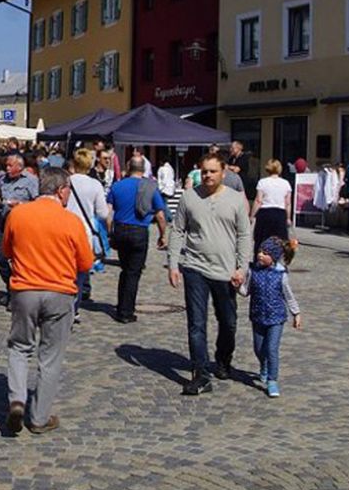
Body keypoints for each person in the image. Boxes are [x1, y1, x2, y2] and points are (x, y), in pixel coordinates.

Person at [3, 167, 94, 435]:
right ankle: (39, 418)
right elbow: (85, 263)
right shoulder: (71, 221)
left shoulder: (18, 214)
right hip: (59, 292)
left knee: (19, 348)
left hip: (24, 291)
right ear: (61, 190)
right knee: (50, 357)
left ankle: (17, 400)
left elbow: (6, 249)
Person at [169, 153, 251, 396]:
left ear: (223, 172)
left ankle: (223, 360)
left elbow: (244, 235)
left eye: (213, 171)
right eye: (204, 171)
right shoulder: (189, 197)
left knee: (228, 322)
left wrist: (241, 267)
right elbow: (177, 231)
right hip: (195, 267)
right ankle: (201, 374)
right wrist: (174, 263)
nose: (207, 176)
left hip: (226, 271)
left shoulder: (235, 199)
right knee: (196, 323)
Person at [238, 237, 303, 397]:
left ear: (273, 257)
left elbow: (289, 296)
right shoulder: (254, 272)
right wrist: (237, 286)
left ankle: (272, 381)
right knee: (259, 348)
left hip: (276, 318)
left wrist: (296, 313)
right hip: (258, 316)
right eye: (260, 251)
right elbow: (246, 291)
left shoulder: (281, 275)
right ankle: (264, 366)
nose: (260, 255)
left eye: (265, 253)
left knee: (271, 349)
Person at [106, 156, 168, 323]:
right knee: (133, 273)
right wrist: (163, 235)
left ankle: (121, 306)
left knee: (125, 270)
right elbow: (161, 216)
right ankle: (126, 311)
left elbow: (108, 213)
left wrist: (110, 233)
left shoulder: (117, 186)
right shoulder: (150, 187)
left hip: (120, 229)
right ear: (144, 169)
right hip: (139, 231)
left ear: (128, 166)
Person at [0, 154, 40, 301]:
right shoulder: (3, 179)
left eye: (10, 166)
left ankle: (18, 295)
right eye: (6, 166)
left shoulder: (31, 181)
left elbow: (39, 202)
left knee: (20, 262)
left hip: (23, 225)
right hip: (4, 222)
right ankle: (11, 288)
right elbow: (0, 202)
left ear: (19, 167)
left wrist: (21, 205)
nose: (7, 168)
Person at [66, 148, 109, 321]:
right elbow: (103, 213)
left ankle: (63, 305)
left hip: (64, 229)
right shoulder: (94, 185)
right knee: (80, 274)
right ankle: (74, 308)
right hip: (85, 232)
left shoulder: (66, 181)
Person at [251, 159, 292, 255]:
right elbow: (288, 203)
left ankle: (259, 260)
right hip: (280, 213)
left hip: (265, 212)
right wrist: (288, 217)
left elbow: (258, 200)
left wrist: (252, 215)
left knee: (261, 239)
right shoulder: (286, 183)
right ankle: (277, 261)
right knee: (280, 240)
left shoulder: (262, 182)